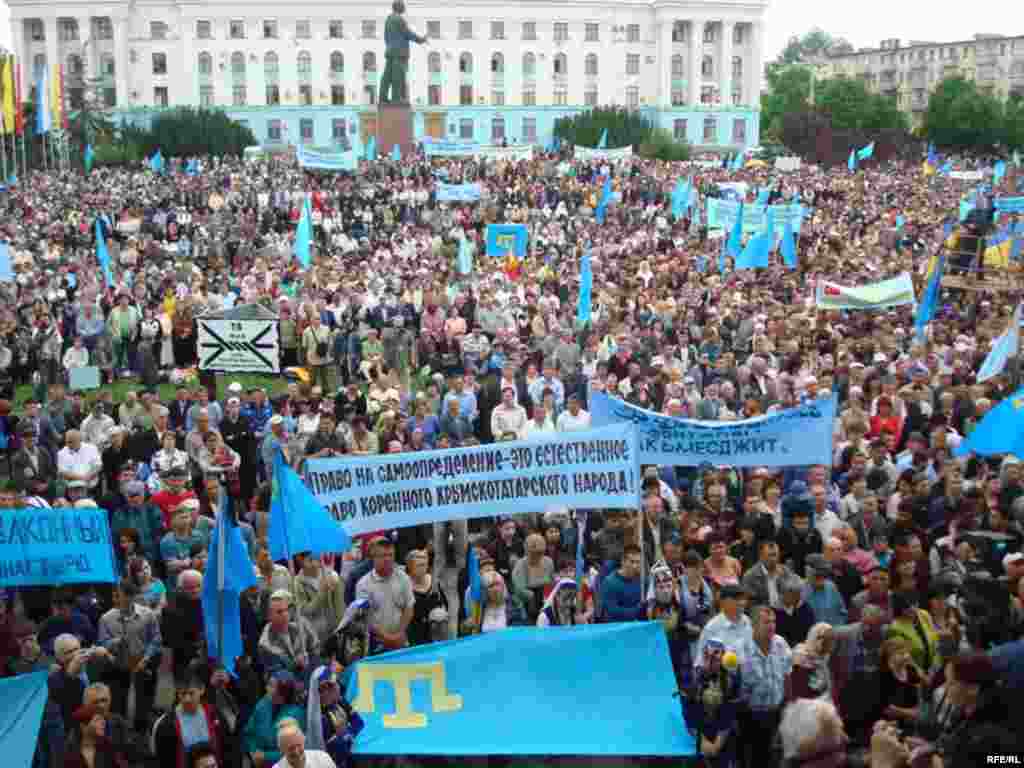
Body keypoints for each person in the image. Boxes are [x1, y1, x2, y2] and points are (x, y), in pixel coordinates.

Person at [740, 604, 792, 768]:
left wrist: (787, 707)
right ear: (753, 625)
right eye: (766, 622)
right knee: (756, 761)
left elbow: (787, 676)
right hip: (750, 716)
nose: (771, 626)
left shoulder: (781, 644)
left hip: (776, 712)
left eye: (773, 622)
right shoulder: (740, 648)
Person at [355, 537, 414, 651]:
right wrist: (388, 638)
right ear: (374, 558)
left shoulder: (403, 578)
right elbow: (366, 617)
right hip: (376, 644)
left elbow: (409, 608)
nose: (387, 559)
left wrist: (399, 634)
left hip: (402, 641)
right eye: (383, 555)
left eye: (390, 555)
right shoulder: (363, 584)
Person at [241, 670, 307, 768]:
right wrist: (253, 751)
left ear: (283, 692)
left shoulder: (296, 714)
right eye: (268, 684)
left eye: (271, 686)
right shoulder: (263, 703)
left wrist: (266, 757)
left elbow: (297, 750)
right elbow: (249, 732)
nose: (266, 688)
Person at [305, 664, 364, 768]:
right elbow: (337, 751)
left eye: (337, 682)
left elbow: (359, 722)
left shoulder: (340, 702)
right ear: (322, 692)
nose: (338, 687)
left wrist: (345, 733)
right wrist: (347, 734)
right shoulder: (319, 720)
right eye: (333, 685)